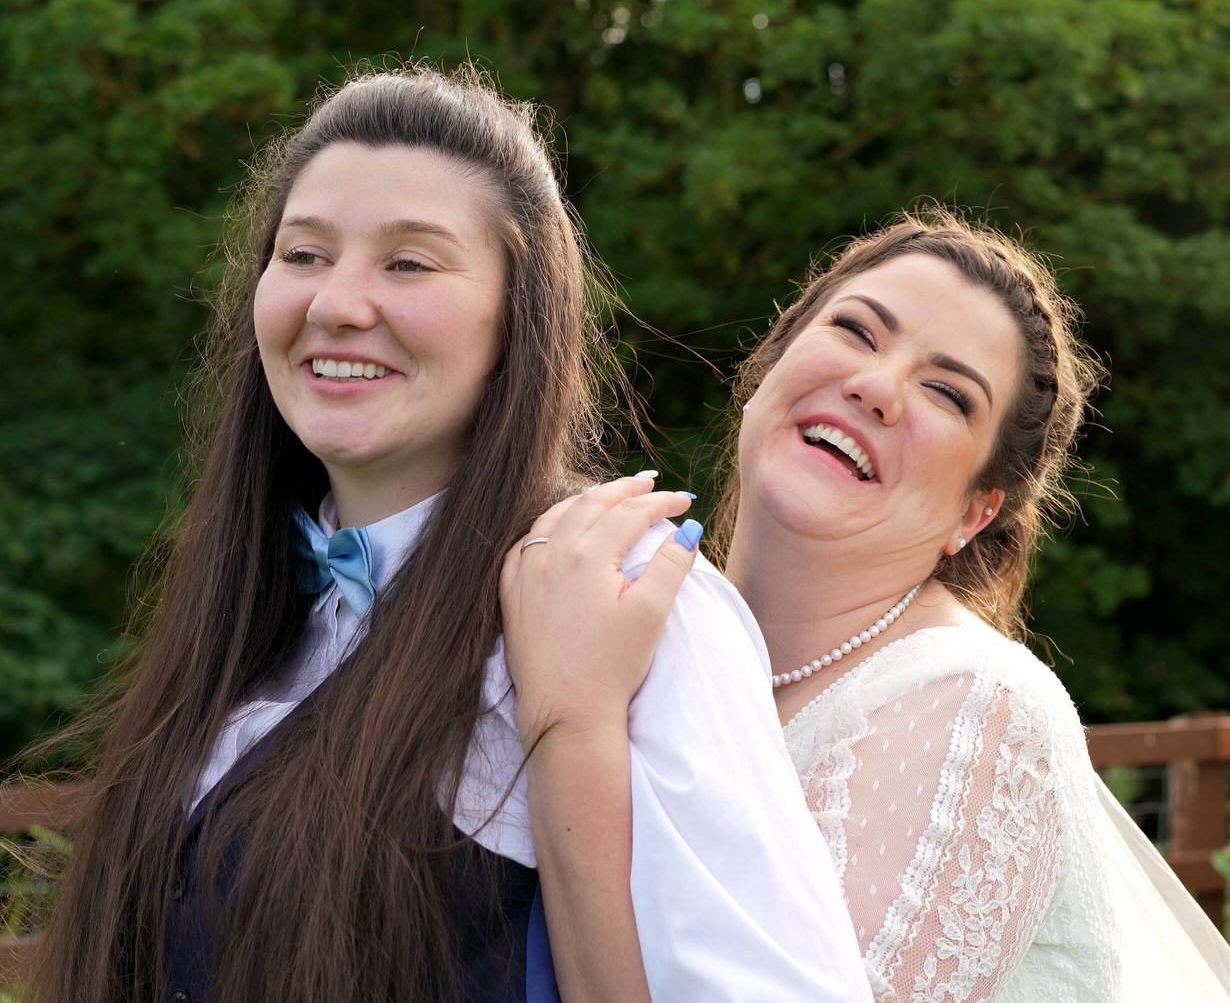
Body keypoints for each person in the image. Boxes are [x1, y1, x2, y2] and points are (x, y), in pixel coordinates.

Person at [24, 66, 868, 1003]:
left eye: (409, 263)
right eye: (303, 254)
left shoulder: (620, 588)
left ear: (519, 316)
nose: (336, 303)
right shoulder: (256, 606)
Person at [507, 212, 1230, 1000]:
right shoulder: (628, 626)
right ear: (768, 365)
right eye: (856, 331)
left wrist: (573, 722)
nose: (875, 387)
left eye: (947, 392)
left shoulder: (978, 708)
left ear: (975, 511)